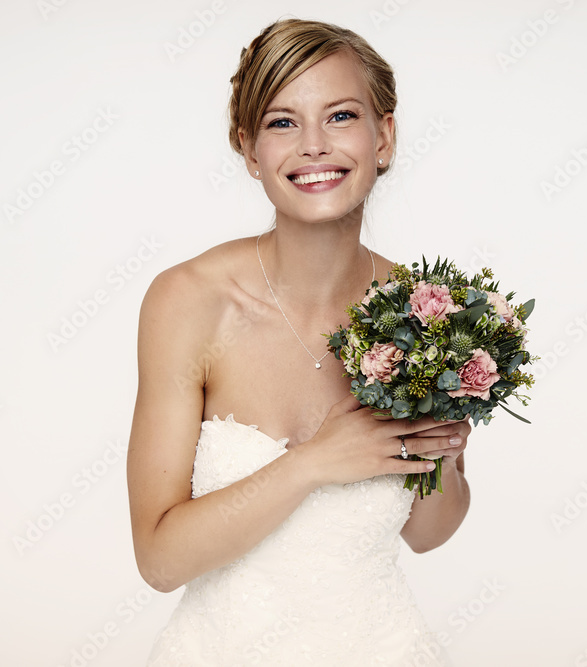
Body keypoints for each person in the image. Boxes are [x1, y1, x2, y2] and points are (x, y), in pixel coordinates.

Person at [127, 17, 472, 665]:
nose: (313, 145)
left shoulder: (425, 312)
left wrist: (446, 454)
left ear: (384, 137)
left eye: (340, 116)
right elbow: (159, 559)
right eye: (283, 122)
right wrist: (314, 462)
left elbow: (428, 533)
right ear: (249, 149)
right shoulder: (188, 302)